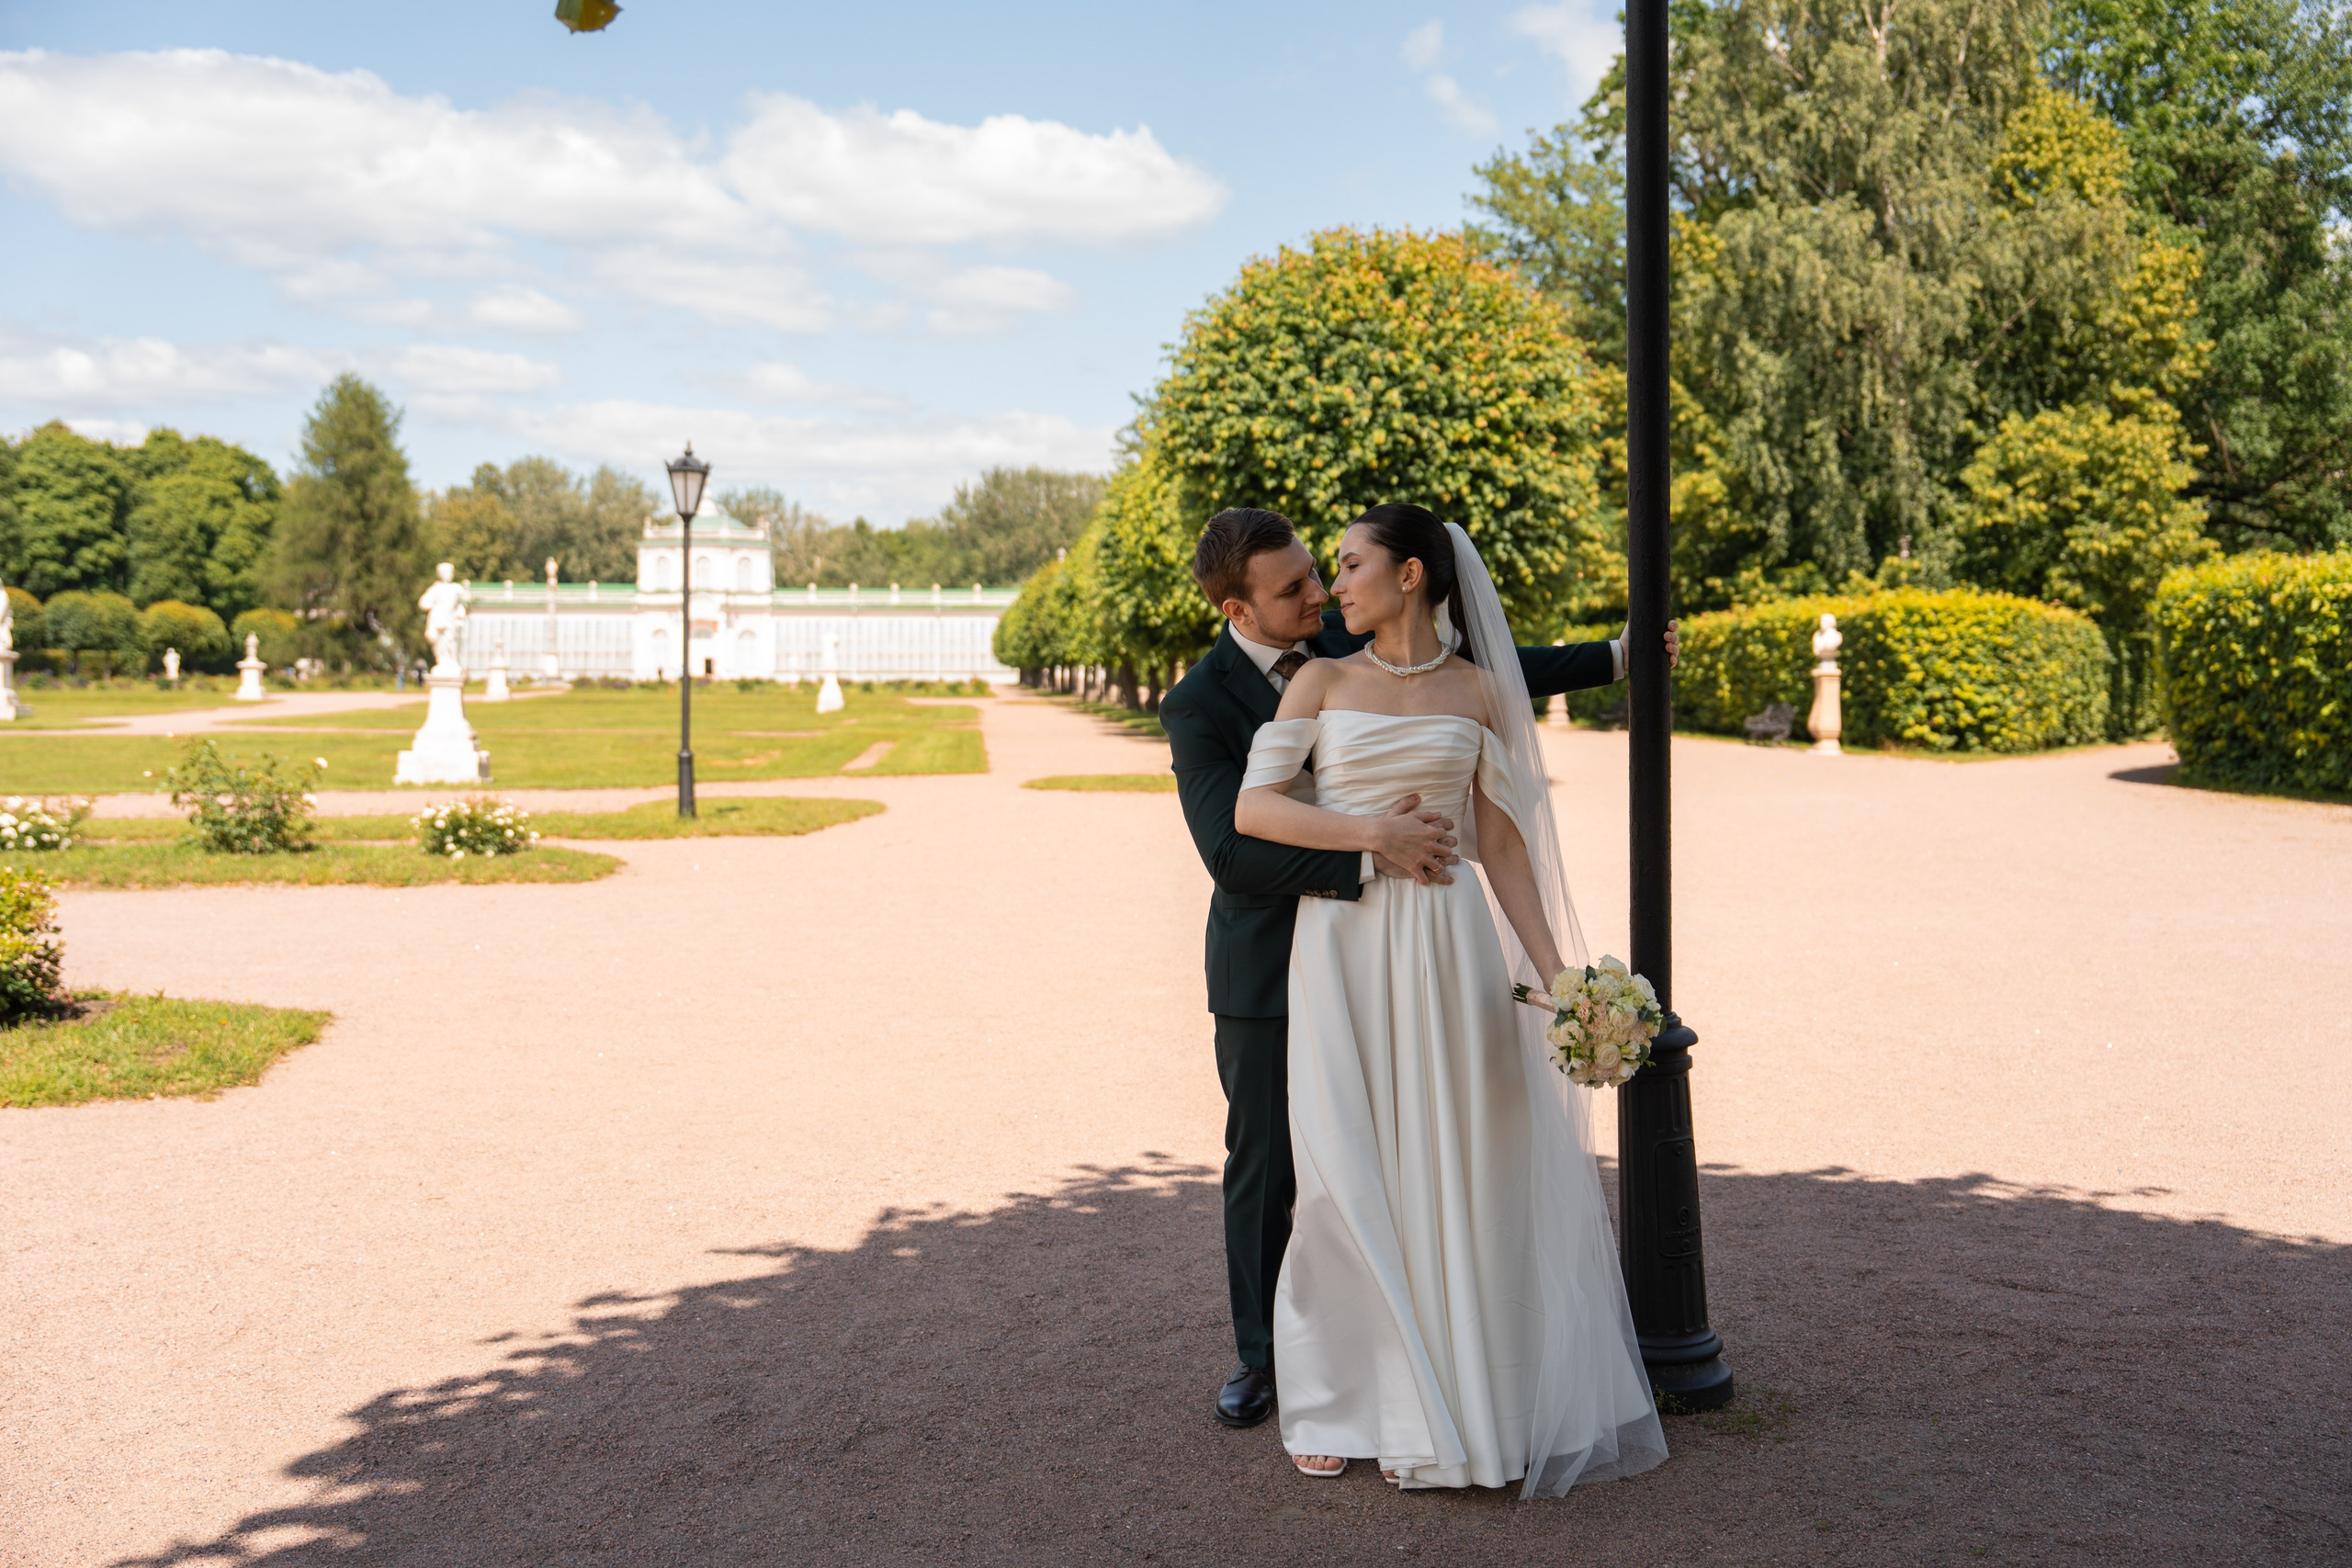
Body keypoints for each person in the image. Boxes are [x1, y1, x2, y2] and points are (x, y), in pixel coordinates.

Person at [1157, 506, 1677, 1437]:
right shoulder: (1200, 700)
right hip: (1277, 958)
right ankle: (1268, 1360)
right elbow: (1232, 850)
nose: (1319, 594)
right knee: (1275, 1164)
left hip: (1427, 942)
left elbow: (1476, 678)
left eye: (1323, 571)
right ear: (1239, 609)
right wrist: (1374, 847)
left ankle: (1439, 1360)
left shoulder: (1354, 643)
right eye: (1295, 587)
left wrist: (1616, 655)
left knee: (1422, 1150)